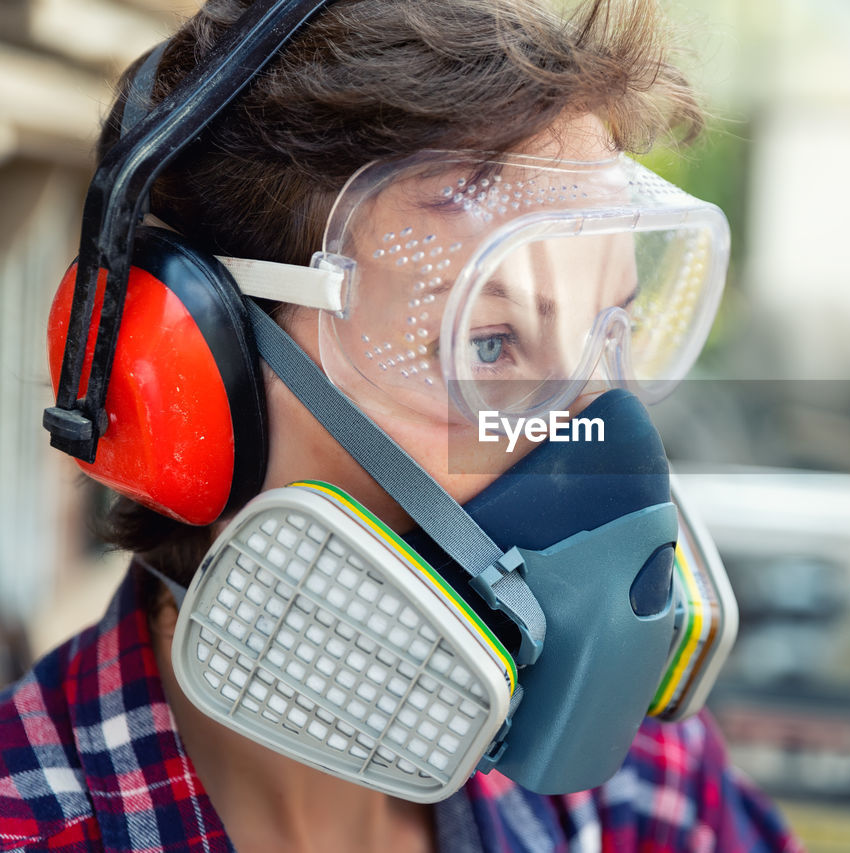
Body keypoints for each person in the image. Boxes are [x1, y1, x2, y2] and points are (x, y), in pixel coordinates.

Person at [0, 0, 803, 851]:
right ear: (187, 385)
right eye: (488, 345)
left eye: (613, 331)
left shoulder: (647, 789)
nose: (598, 440)